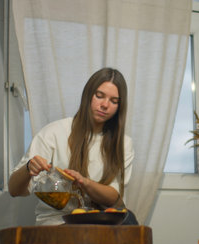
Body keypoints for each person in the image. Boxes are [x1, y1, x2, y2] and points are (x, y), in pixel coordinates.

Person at [8, 67, 137, 226]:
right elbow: (14, 190)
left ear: (119, 107)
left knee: (129, 220)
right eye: (99, 96)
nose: (105, 105)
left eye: (114, 101)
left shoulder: (123, 143)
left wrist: (85, 182)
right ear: (88, 95)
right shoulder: (54, 133)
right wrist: (28, 168)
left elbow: (115, 198)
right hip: (58, 224)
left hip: (100, 222)